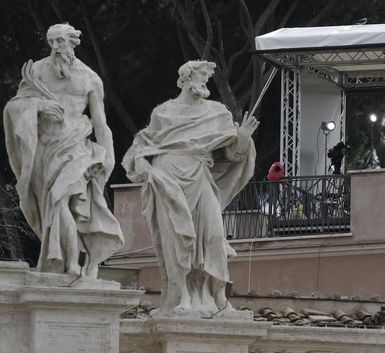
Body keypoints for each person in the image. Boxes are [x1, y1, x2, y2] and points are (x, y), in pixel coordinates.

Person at [122, 60, 259, 316]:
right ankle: (181, 296)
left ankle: (218, 296)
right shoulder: (163, 113)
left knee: (214, 237)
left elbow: (234, 155)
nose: (204, 83)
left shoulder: (217, 113)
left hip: (199, 174)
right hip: (168, 179)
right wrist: (144, 166)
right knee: (177, 239)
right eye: (200, 77)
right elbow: (141, 146)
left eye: (206, 79)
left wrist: (243, 139)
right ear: (184, 79)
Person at [3, 23, 123, 277]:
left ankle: (70, 263)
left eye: (61, 41)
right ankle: (57, 261)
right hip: (44, 150)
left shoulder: (90, 78)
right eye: (52, 42)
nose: (56, 47)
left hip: (76, 148)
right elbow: (14, 107)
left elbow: (101, 124)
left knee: (61, 199)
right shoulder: (36, 71)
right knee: (52, 207)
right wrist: (37, 106)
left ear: (73, 42)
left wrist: (109, 156)